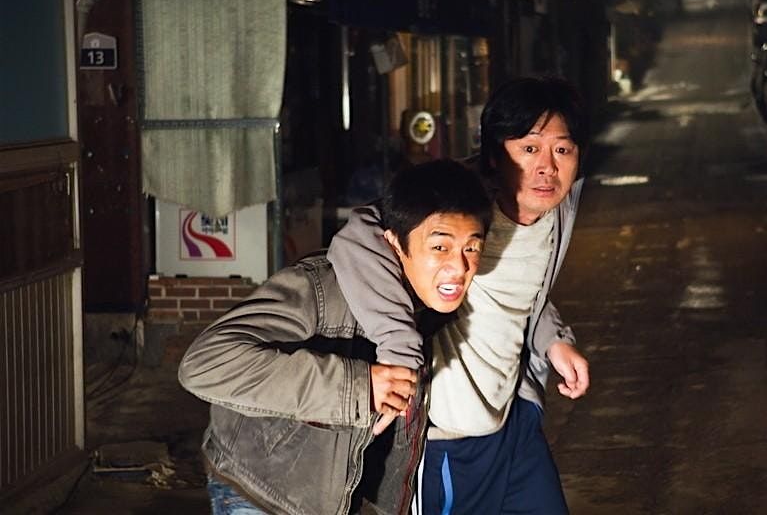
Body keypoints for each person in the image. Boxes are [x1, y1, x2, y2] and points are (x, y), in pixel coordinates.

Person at [327, 76, 591, 514]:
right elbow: (356, 237)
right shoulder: (453, 200)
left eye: (562, 150)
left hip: (513, 419)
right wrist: (399, 348)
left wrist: (552, 339)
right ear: (494, 154)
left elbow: (520, 292)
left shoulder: (556, 212)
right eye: (529, 148)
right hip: (448, 438)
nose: (547, 166)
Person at [178, 159, 493, 515]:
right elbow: (203, 364)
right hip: (261, 492)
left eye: (472, 248)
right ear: (394, 242)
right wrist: (358, 387)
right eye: (440, 248)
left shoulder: (432, 306)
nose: (459, 267)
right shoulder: (321, 290)